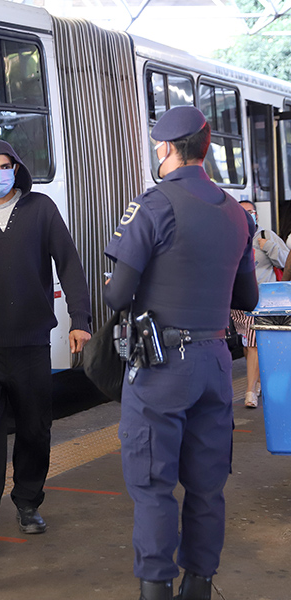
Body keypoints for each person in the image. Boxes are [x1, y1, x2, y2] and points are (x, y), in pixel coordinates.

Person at [102, 106, 258, 600]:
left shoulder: (154, 204)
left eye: (157, 147)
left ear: (167, 148)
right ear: (206, 149)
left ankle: (155, 589)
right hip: (215, 362)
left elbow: (116, 293)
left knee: (152, 486)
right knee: (207, 486)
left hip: (162, 369)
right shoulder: (237, 213)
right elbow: (247, 300)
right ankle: (199, 584)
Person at [0, 138, 92, 550]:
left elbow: (69, 262)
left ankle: (28, 501)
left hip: (31, 344)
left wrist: (79, 319)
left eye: (5, 165)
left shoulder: (40, 209)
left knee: (34, 428)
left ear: (16, 169)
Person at [231, 200, 288, 408]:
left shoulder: (266, 236)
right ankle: (258, 382)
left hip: (262, 301)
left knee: (254, 344)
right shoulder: (232, 237)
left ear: (256, 214)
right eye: (242, 212)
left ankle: (250, 390)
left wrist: (270, 247)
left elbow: (285, 261)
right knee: (248, 345)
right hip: (238, 302)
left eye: (250, 212)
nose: (247, 216)